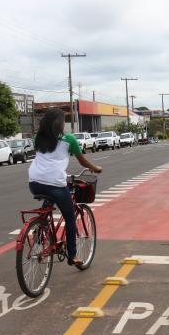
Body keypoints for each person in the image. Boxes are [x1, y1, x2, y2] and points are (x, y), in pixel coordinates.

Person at [28, 108, 102, 266]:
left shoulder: (38, 138)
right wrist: (95, 168)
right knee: (69, 218)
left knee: (49, 198)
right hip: (54, 182)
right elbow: (82, 161)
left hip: (34, 182)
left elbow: (48, 158)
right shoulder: (69, 139)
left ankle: (39, 230)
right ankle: (73, 255)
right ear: (60, 123)